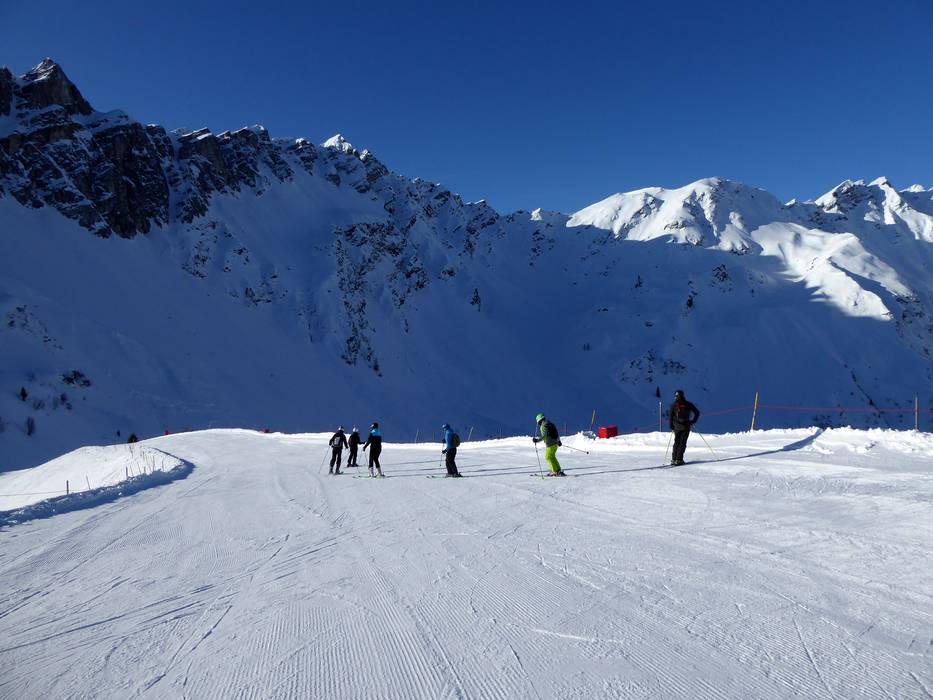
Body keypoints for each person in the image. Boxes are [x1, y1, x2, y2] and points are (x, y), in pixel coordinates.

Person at [669, 389, 700, 466]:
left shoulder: (674, 405)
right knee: (682, 443)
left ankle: (673, 459)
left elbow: (670, 416)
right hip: (686, 426)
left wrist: (671, 425)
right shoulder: (688, 404)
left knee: (676, 443)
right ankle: (679, 460)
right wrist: (693, 421)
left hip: (676, 427)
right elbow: (697, 412)